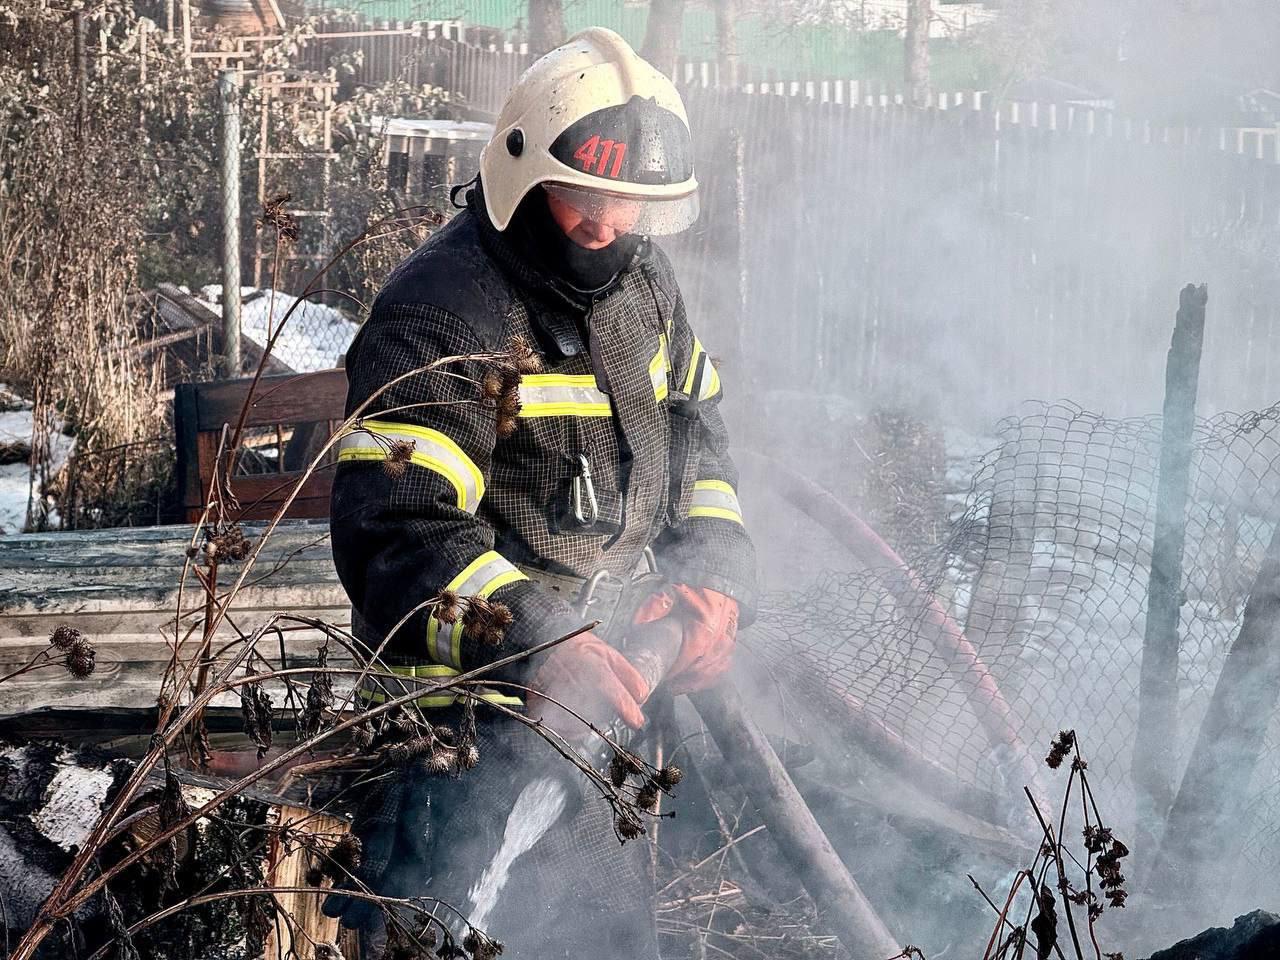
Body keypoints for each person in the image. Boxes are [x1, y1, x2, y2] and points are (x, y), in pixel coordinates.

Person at [324, 27, 757, 958]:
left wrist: (715, 578)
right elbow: (395, 535)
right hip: (455, 746)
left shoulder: (645, 286)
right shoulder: (442, 316)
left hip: (602, 718)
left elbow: (700, 440)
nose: (606, 224)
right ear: (520, 176)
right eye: (582, 197)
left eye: (628, 203)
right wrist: (540, 641)